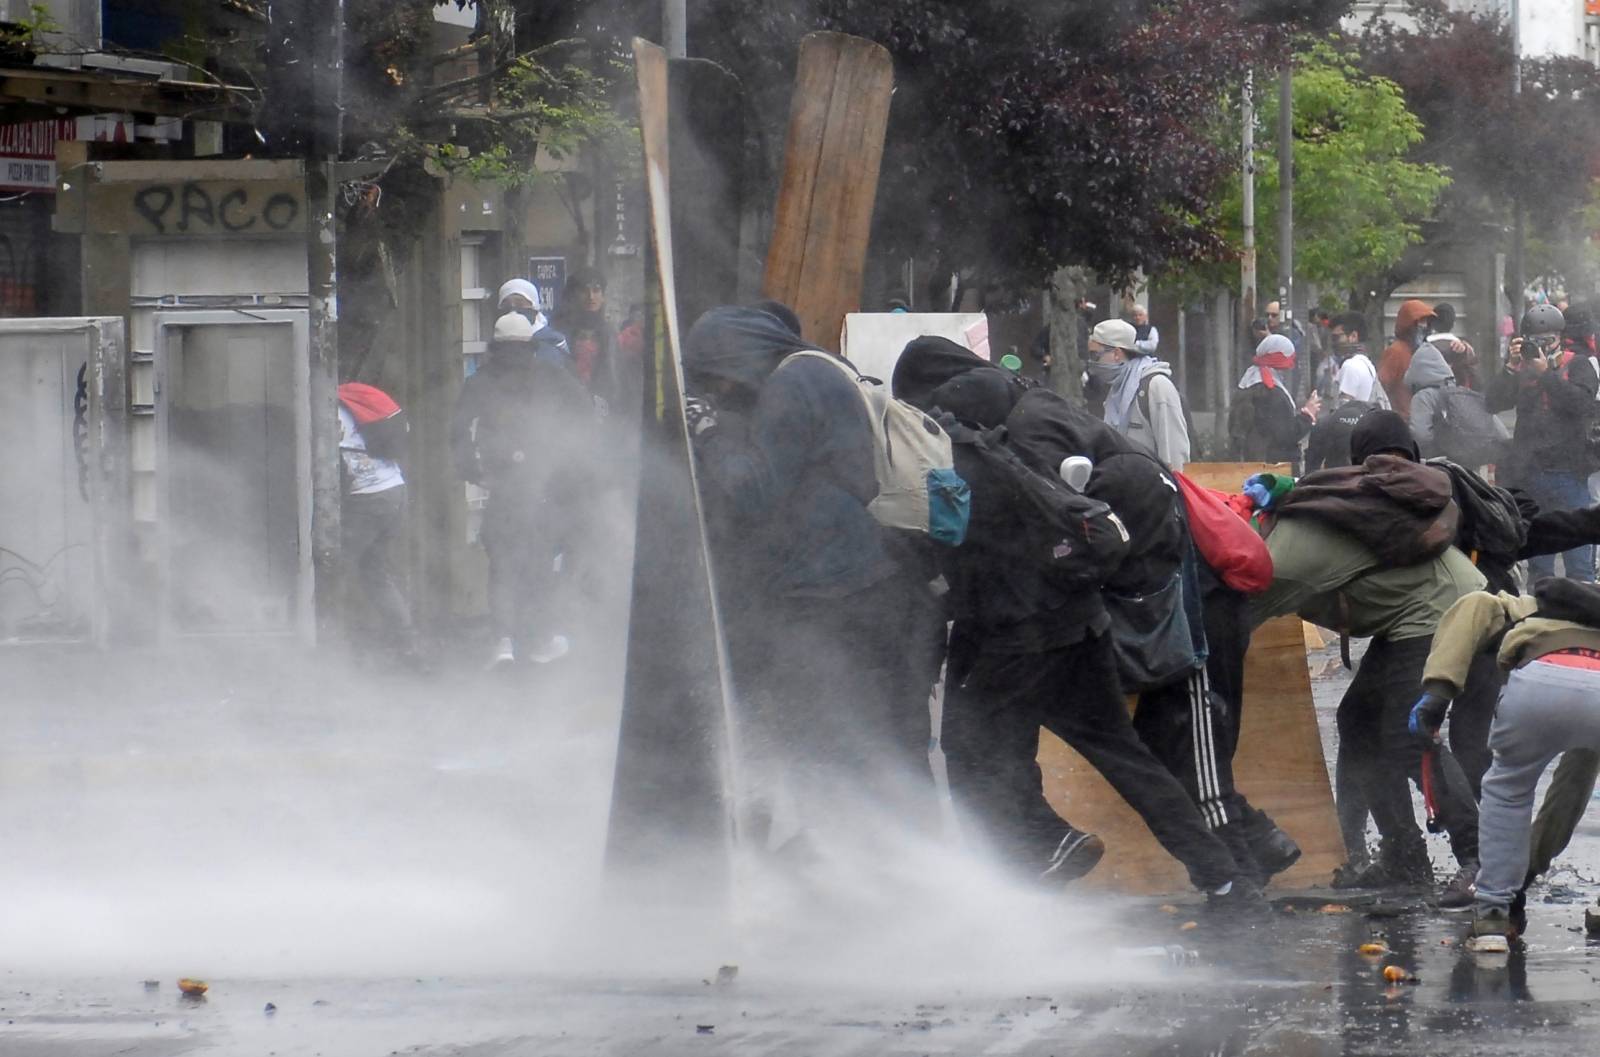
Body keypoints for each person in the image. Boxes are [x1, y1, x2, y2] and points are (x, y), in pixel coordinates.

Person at [893, 339, 1263, 904]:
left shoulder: (957, 471)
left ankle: (1041, 855)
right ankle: (1224, 876)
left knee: (967, 750)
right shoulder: (1021, 445)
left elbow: (950, 569)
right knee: (1124, 756)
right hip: (1081, 625)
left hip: (1018, 640)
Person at [683, 306, 941, 844]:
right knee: (865, 729)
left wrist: (707, 431)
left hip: (826, 589)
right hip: (862, 579)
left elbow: (753, 488)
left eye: (719, 374)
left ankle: (859, 856)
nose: (722, 388)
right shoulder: (821, 369)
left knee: (826, 730)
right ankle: (897, 848)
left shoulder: (792, 384)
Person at [1250, 411, 1485, 904]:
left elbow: (1232, 615)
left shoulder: (1284, 556)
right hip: (1422, 611)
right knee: (1357, 719)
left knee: (1409, 734)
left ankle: (1480, 860)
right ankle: (1404, 857)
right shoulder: (1316, 512)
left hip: (1440, 612)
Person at [1409, 579, 1600, 949]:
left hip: (1541, 678)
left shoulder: (1527, 605)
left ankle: (1492, 916)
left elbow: (1475, 605)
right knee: (1576, 779)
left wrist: (1438, 693)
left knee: (1508, 790)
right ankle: (1522, 883)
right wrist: (1529, 869)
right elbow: (1567, 797)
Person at [452, 311, 597, 667]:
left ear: (494, 346)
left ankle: (503, 641)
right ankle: (540, 639)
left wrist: (474, 472)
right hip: (542, 486)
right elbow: (584, 413)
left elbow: (457, 432)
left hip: (502, 487)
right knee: (539, 564)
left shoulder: (480, 381)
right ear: (530, 344)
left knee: (501, 564)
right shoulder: (551, 376)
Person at [1488, 304, 1598, 583]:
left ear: (1560, 338)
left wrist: (1545, 374)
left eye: (1548, 341)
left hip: (1569, 474)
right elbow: (1492, 403)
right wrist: (1511, 369)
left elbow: (1582, 404)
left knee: (1579, 565)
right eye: (1535, 342)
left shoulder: (1578, 364)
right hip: (1530, 476)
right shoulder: (1521, 369)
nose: (1541, 348)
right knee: (1539, 567)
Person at [336, 383, 421, 666]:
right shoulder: (353, 405)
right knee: (374, 570)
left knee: (332, 568)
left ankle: (330, 643)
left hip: (368, 498)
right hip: (394, 489)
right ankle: (406, 642)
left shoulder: (329, 413)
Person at [1083, 318, 1190, 471]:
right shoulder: (1115, 390)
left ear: (1117, 353)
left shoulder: (1156, 386)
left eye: (1095, 355)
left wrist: (1173, 491)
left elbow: (1175, 455)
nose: (1091, 362)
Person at [1406, 343, 1510, 469]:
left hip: (1440, 467)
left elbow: (1420, 434)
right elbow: (1502, 433)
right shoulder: (1461, 393)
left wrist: (1433, 453)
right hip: (1470, 465)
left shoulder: (1423, 397)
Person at [1305, 314, 1386, 472]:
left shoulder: (1350, 366)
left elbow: (1343, 408)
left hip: (1347, 444)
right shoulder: (1365, 362)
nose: (1334, 343)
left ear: (1353, 336)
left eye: (1337, 337)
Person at [1231, 334, 1321, 468]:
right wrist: (1307, 415)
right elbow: (1285, 435)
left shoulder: (1247, 385)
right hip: (1276, 468)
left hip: (1252, 461)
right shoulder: (1271, 393)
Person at [549, 266, 616, 408]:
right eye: (584, 291)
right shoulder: (558, 332)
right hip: (565, 407)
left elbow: (616, 378)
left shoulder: (609, 335)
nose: (591, 297)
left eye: (596, 290)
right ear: (573, 295)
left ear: (603, 297)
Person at [1377, 299, 1438, 419]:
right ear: (1409, 324)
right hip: (1401, 421)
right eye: (1420, 321)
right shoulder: (1396, 352)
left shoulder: (1425, 351)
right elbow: (1381, 387)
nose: (1424, 326)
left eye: (1426, 321)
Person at [1429, 303, 1479, 391]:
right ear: (1454, 324)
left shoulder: (1422, 347)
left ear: (1432, 322)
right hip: (1458, 400)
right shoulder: (1464, 349)